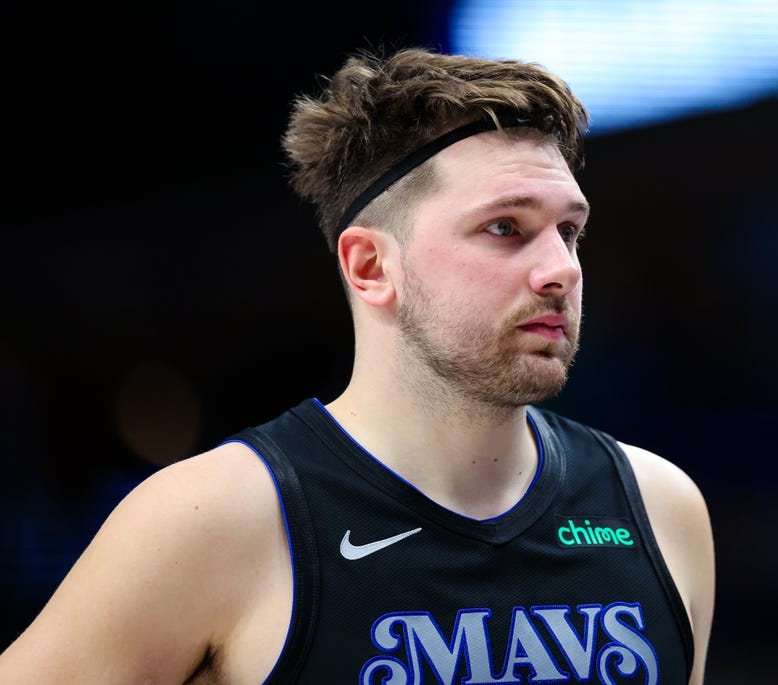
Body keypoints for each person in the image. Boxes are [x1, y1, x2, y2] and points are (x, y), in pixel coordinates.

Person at [0, 47, 715, 684]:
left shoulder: (660, 508)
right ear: (371, 265)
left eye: (569, 231)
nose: (561, 269)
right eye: (506, 228)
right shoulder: (214, 519)